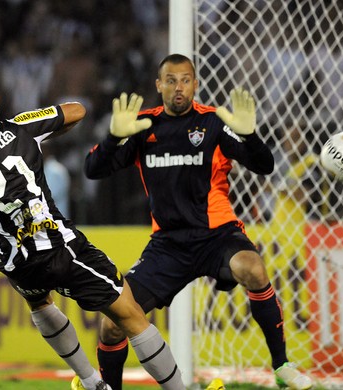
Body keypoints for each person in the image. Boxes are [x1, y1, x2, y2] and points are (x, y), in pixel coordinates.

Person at [0, 83, 185, 390]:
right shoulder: (19, 127)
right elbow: (76, 111)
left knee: (39, 302)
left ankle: (93, 382)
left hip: (20, 264)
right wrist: (43, 130)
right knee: (131, 316)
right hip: (59, 246)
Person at [84, 54, 313, 390]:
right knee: (113, 323)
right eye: (172, 80)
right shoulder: (143, 126)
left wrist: (249, 136)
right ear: (159, 84)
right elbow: (93, 170)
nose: (180, 87)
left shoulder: (214, 123)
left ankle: (281, 366)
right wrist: (113, 138)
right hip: (168, 246)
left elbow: (264, 165)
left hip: (217, 235)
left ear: (195, 83)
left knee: (252, 267)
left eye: (186, 80)